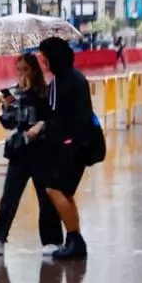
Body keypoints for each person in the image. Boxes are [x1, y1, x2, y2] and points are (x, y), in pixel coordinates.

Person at [0, 54, 63, 256]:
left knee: (45, 197)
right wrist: (7, 107)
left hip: (41, 150)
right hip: (20, 150)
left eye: (25, 69)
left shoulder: (46, 92)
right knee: (10, 196)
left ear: (34, 70)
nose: (22, 74)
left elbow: (51, 117)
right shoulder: (15, 93)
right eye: (19, 69)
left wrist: (32, 99)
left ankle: (52, 240)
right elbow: (9, 123)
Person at [28, 37, 96, 260]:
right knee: (64, 191)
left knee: (53, 189)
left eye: (44, 58)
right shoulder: (75, 77)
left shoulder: (61, 82)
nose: (42, 63)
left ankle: (75, 238)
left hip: (72, 145)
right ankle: (74, 238)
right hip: (82, 143)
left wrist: (43, 125)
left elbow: (57, 116)